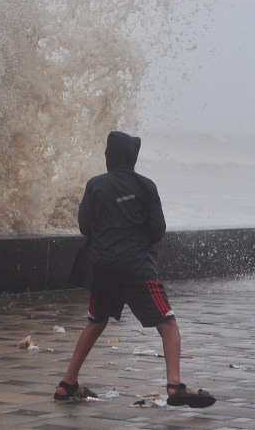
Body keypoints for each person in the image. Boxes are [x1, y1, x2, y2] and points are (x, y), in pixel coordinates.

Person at [54, 131, 216, 408]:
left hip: (102, 267)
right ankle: (175, 385)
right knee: (168, 324)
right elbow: (157, 231)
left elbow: (84, 226)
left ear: (108, 157)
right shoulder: (145, 186)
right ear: (133, 157)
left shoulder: (95, 185)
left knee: (96, 321)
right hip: (136, 267)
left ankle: (67, 384)